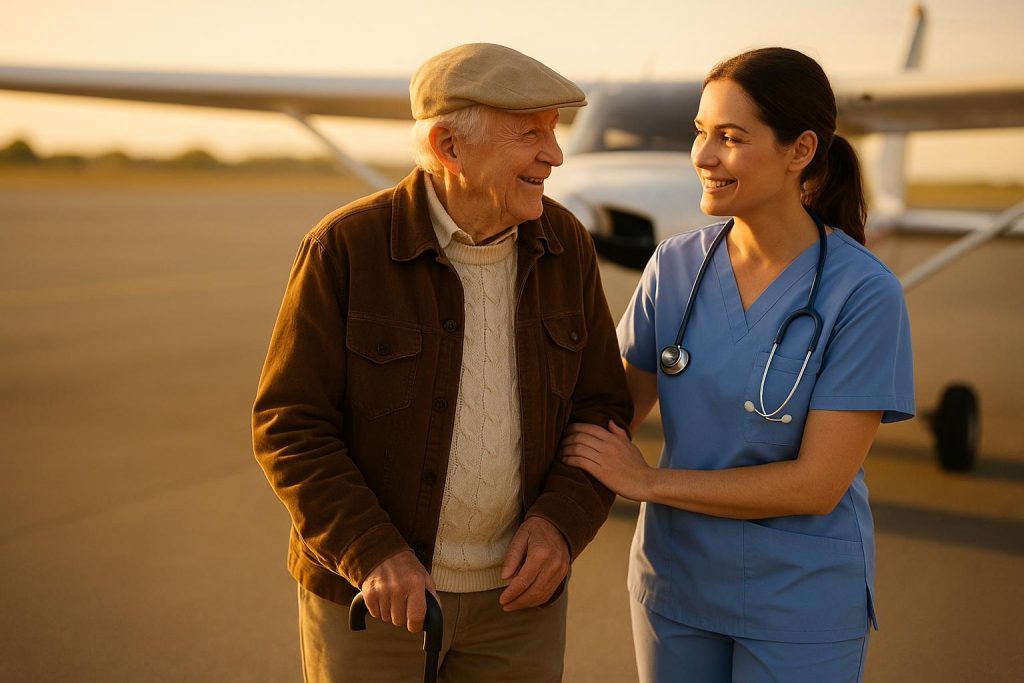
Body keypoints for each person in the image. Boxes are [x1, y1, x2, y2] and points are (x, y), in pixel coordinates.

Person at [252, 43, 632, 683]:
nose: (556, 155)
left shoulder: (566, 243)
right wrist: (373, 556)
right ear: (449, 147)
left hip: (520, 604)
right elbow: (289, 427)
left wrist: (560, 526)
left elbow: (602, 410)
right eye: (529, 134)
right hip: (374, 599)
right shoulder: (345, 248)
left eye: (554, 131)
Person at [560, 48, 915, 683]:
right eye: (700, 133)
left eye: (729, 137)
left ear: (800, 150)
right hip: (675, 587)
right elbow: (608, 408)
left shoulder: (864, 294)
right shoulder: (673, 267)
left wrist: (648, 484)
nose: (702, 156)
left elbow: (816, 484)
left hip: (800, 599)